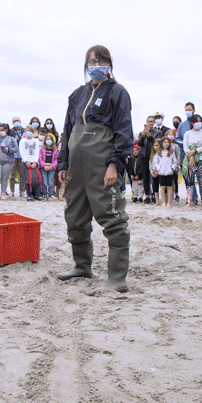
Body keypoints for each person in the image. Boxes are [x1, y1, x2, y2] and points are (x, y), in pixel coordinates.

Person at [57, 45, 133, 293]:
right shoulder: (78, 94)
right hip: (76, 168)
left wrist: (115, 165)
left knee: (113, 219)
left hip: (102, 166)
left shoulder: (118, 92)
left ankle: (117, 279)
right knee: (75, 218)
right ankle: (82, 266)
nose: (95, 64)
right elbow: (67, 131)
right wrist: (63, 163)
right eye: (91, 61)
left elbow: (124, 132)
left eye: (100, 60)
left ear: (109, 64)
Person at [182, 114, 202, 208]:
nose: (199, 123)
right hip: (190, 160)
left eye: (200, 121)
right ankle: (190, 201)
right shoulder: (188, 133)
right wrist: (191, 157)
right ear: (192, 123)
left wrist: (195, 151)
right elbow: (185, 147)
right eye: (197, 121)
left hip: (201, 159)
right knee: (190, 181)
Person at [0, 123, 20, 200]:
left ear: (6, 130)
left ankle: (3, 193)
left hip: (8, 161)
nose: (1, 132)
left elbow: (16, 149)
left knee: (5, 178)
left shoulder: (11, 139)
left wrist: (8, 150)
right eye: (0, 130)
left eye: (3, 130)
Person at [151, 136, 179, 207]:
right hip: (161, 172)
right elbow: (155, 162)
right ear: (162, 143)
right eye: (165, 142)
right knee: (162, 187)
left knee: (169, 187)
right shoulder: (159, 152)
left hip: (169, 172)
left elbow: (174, 161)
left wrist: (172, 168)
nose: (166, 144)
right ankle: (163, 202)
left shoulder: (171, 152)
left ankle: (169, 202)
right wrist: (159, 168)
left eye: (167, 142)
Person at [137, 116, 158, 204]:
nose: (150, 123)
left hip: (153, 156)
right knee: (145, 177)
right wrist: (143, 136)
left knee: (153, 177)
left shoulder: (158, 132)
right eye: (149, 121)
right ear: (146, 122)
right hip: (143, 156)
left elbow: (157, 143)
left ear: (154, 122)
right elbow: (140, 144)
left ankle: (154, 196)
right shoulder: (141, 133)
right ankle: (147, 196)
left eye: (152, 121)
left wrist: (150, 136)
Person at [19, 125, 42, 201]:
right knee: (27, 179)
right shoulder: (22, 141)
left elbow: (37, 152)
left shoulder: (35, 141)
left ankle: (37, 195)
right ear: (25, 131)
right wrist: (26, 161)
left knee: (37, 179)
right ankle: (29, 195)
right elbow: (22, 151)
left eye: (30, 131)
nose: (28, 132)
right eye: (27, 130)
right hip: (25, 162)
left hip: (34, 162)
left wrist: (35, 161)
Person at [39, 133, 60, 200]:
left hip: (52, 168)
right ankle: (45, 194)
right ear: (45, 140)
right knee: (44, 181)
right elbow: (40, 158)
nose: (49, 140)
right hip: (43, 168)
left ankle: (50, 194)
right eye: (47, 139)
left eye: (50, 139)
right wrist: (44, 166)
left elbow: (56, 160)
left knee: (50, 182)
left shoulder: (55, 150)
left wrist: (52, 166)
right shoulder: (42, 149)